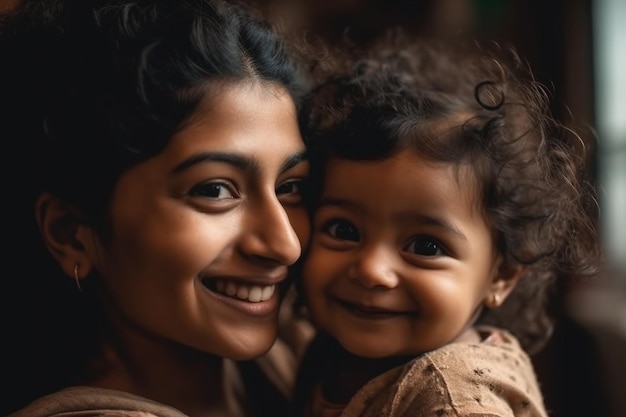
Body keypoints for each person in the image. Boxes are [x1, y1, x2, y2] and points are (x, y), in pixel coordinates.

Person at [0, 1, 312, 416]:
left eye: (289, 187)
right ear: (70, 232)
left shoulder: (294, 363)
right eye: (215, 190)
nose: (284, 244)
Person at [292, 37, 601, 417]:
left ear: (500, 276)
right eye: (343, 231)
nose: (372, 270)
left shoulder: (453, 397)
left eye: (425, 247)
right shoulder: (327, 354)